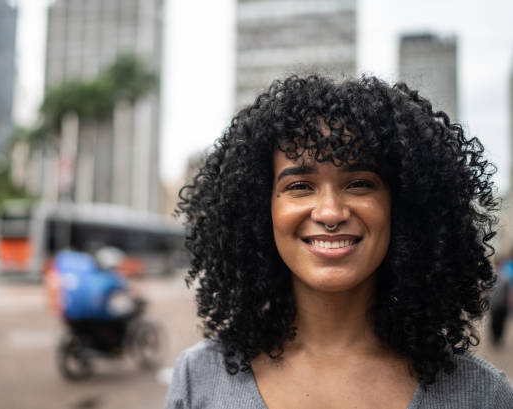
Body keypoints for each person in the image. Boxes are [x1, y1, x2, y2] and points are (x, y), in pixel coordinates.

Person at [165, 74, 513, 408]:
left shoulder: (484, 395)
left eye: (359, 183)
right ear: (260, 208)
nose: (330, 213)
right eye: (299, 186)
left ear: (403, 205)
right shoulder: (198, 378)